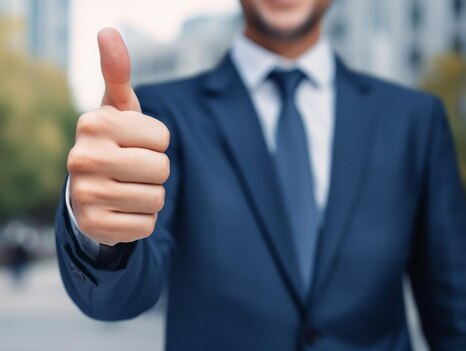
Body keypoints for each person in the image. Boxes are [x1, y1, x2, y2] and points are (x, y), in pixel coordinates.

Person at [55, 0, 466, 349]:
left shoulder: (414, 121)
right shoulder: (161, 116)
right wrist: (101, 236)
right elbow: (120, 297)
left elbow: (454, 311)